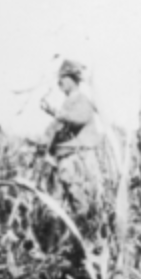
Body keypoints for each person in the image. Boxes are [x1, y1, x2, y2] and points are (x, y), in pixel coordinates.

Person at [41, 59, 102, 210]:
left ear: (72, 80)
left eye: (63, 77)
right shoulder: (68, 101)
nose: (59, 81)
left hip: (80, 158)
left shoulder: (81, 99)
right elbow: (59, 128)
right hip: (68, 159)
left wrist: (56, 113)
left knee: (82, 202)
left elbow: (79, 119)